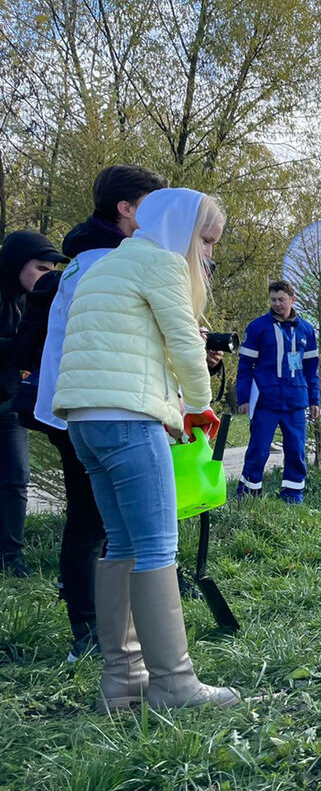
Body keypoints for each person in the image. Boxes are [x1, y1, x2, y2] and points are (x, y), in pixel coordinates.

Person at [53, 187, 240, 709]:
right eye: (205, 241)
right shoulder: (161, 265)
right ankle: (175, 684)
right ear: (182, 229)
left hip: (86, 422)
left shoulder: (105, 267)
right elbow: (185, 345)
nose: (208, 254)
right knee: (158, 547)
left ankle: (123, 681)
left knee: (122, 545)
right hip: (128, 422)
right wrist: (199, 405)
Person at [19, 166, 168, 654]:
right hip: (103, 404)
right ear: (126, 209)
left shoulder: (88, 259)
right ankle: (96, 633)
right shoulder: (113, 260)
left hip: (78, 403)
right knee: (103, 528)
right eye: (152, 204)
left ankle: (108, 640)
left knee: (102, 527)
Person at [0, 234, 58, 577]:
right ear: (16, 262)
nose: (45, 275)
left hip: (8, 404)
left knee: (17, 479)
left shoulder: (35, 302)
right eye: (40, 268)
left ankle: (11, 558)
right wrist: (24, 345)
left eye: (51, 269)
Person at [235, 279, 319, 504]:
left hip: (296, 401)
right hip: (266, 401)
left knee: (296, 450)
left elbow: (312, 370)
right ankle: (249, 494)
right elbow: (245, 366)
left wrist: (315, 400)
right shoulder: (257, 328)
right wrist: (243, 397)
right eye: (273, 299)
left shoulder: (307, 330)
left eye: (282, 299)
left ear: (292, 299)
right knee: (259, 450)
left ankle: (292, 495)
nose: (277, 304)